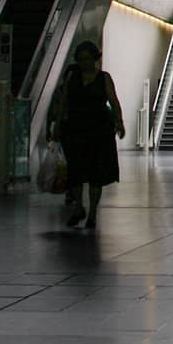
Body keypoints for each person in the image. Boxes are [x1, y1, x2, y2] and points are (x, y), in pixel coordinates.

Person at [51, 41, 125, 229]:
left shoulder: (103, 78)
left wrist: (119, 122)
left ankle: (92, 213)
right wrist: (57, 124)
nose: (84, 63)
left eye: (88, 59)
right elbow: (63, 103)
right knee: (75, 171)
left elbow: (113, 101)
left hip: (98, 130)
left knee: (95, 173)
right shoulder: (72, 77)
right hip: (75, 129)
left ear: (94, 58)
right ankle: (79, 207)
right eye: (81, 59)